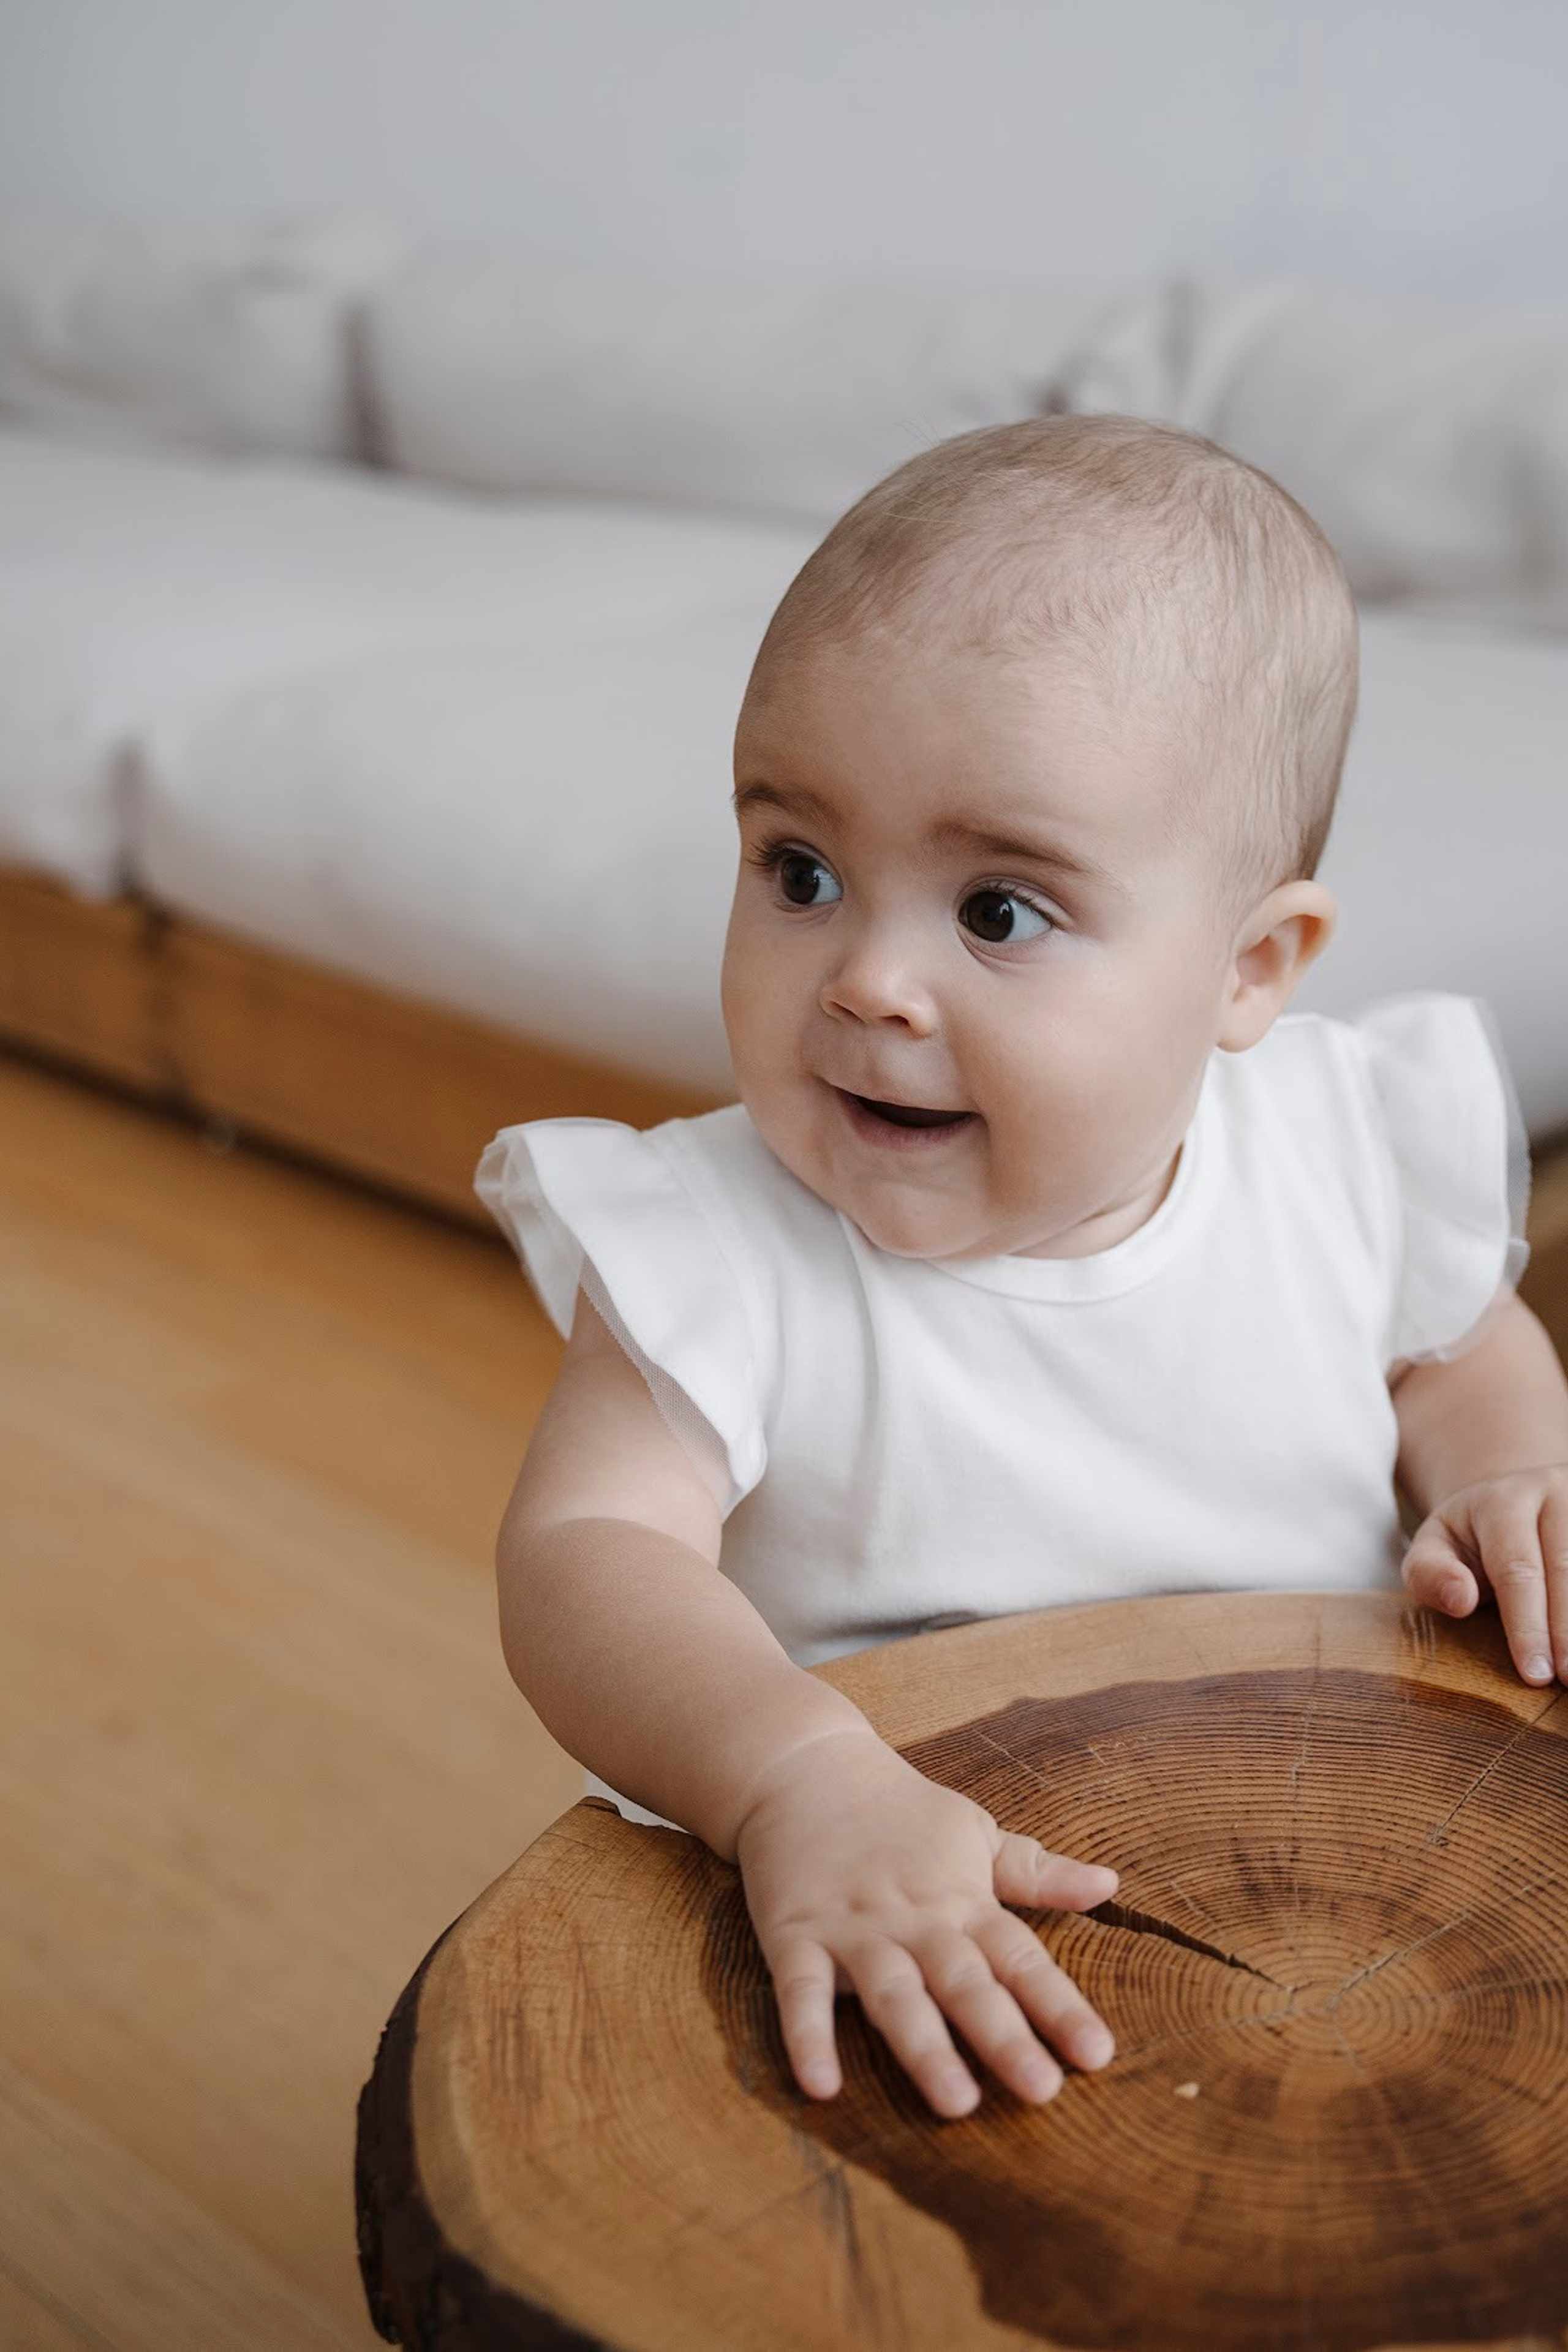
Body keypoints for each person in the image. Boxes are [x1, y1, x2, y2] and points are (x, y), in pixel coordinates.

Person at [477, 413, 1568, 2124]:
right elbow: (583, 1555)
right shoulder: (719, 1243)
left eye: (998, 912)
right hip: (869, 1888)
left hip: (1326, 1861)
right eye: (802, 872)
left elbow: (1455, 1349)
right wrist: (788, 1778)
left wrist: (1512, 1473)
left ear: (1249, 969)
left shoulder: (1340, 1148)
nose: (869, 984)